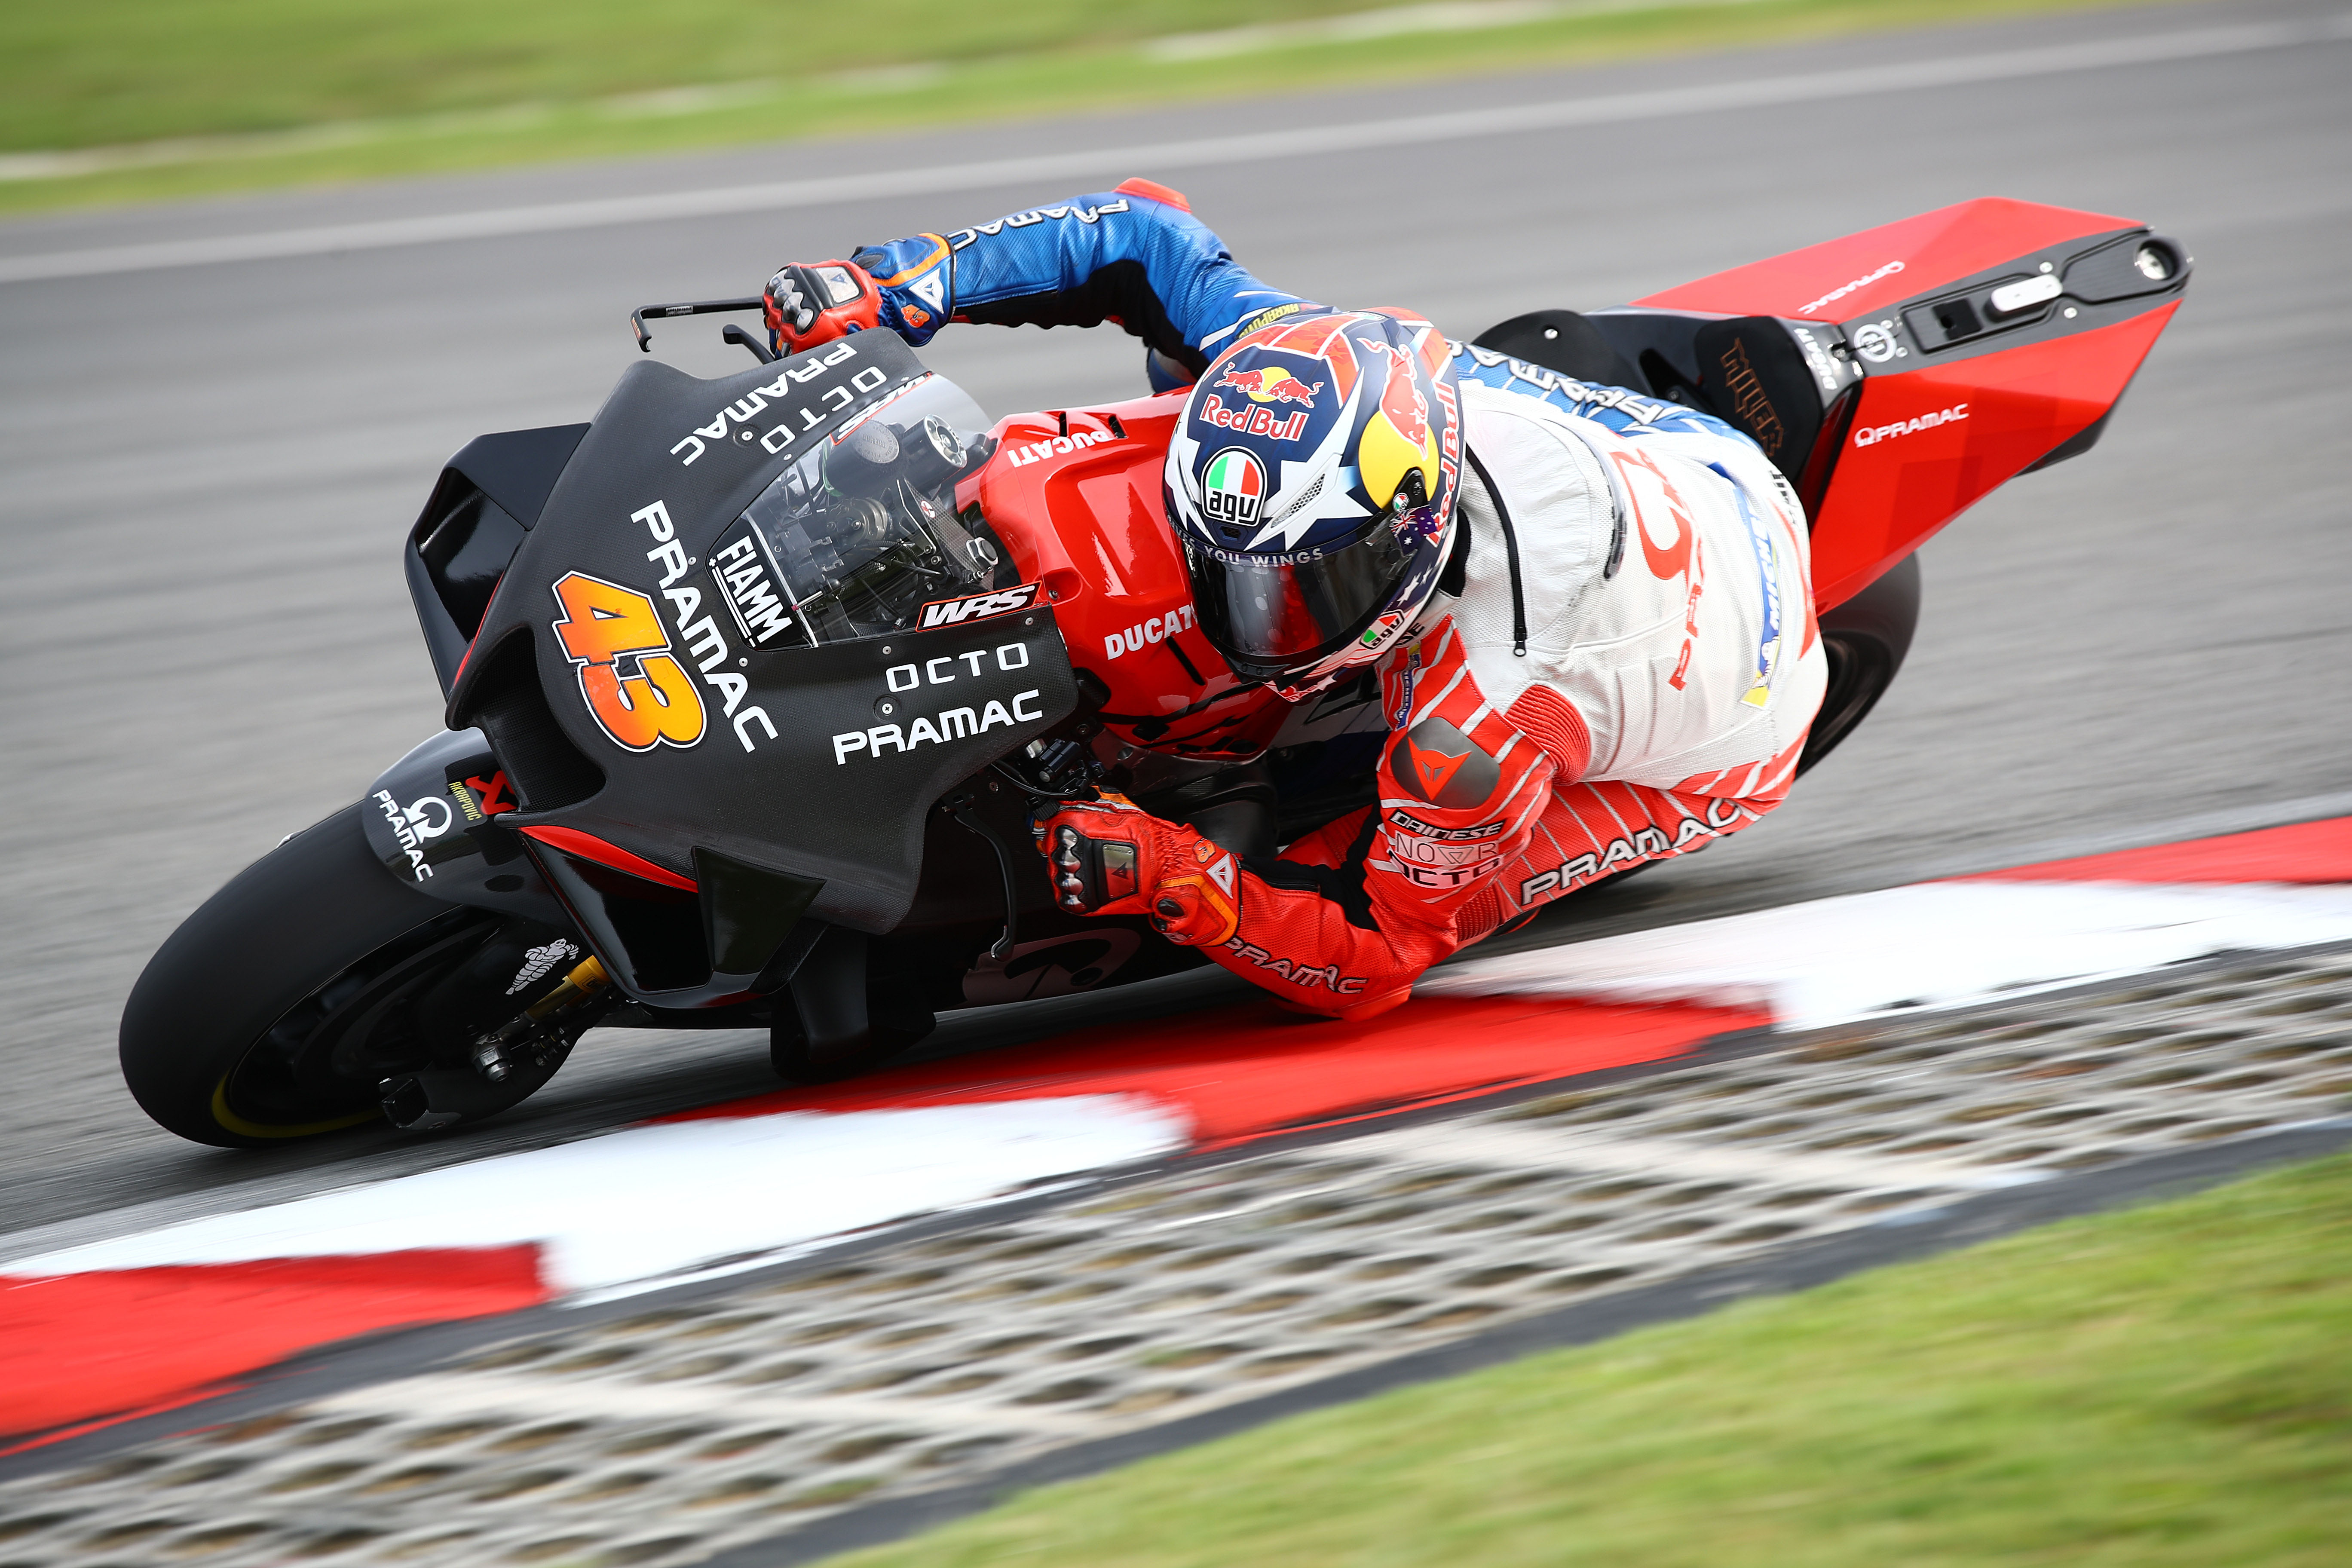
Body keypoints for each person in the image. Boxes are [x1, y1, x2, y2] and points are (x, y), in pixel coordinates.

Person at [763, 178, 1826, 1020]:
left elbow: (1372, 956)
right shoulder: (1325, 367)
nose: (1251, 621)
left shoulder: (1479, 728)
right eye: (1237, 577)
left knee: (1336, 876)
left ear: (1404, 544)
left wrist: (1183, 873)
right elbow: (1141, 235)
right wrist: (893, 285)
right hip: (1681, 453)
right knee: (1179, 357)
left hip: (1740, 714)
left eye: (1296, 591)